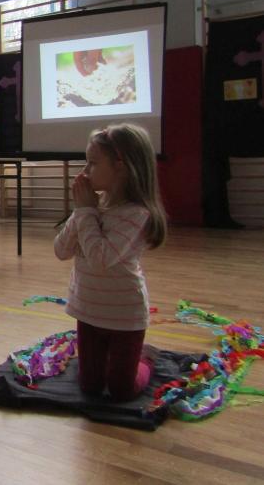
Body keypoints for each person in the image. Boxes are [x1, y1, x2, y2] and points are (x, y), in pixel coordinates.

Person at [53, 123, 167, 401]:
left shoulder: (136, 214)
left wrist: (85, 211)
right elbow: (61, 250)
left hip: (124, 316)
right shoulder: (92, 209)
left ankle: (145, 358)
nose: (85, 171)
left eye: (92, 163)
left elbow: (100, 258)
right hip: (88, 311)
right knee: (89, 386)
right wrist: (81, 212)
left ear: (120, 167)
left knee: (121, 390)